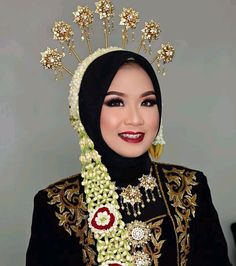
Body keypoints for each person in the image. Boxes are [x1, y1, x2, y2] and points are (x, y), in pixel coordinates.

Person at [26, 49, 232, 266]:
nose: (135, 119)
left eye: (147, 102)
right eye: (115, 102)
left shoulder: (189, 187)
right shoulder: (57, 204)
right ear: (88, 110)